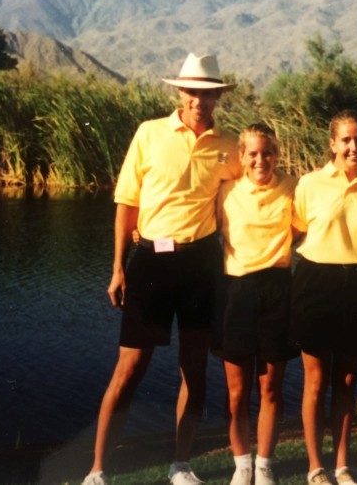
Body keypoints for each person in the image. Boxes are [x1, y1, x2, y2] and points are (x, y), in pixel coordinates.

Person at [81, 53, 241, 485]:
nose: (199, 101)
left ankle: (181, 464)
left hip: (202, 265)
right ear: (179, 92)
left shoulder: (230, 146)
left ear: (217, 98)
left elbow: (250, 198)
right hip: (151, 263)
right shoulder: (149, 134)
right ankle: (97, 470)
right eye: (192, 92)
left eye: (208, 94)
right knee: (129, 369)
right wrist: (118, 268)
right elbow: (126, 203)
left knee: (194, 368)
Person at [291, 110, 357, 485]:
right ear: (332, 144)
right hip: (316, 283)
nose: (354, 146)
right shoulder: (309, 184)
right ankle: (316, 468)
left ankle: (342, 466)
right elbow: (298, 230)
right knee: (315, 382)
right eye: (346, 140)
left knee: (347, 381)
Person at [215, 123, 298, 485]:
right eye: (253, 153)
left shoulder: (295, 187)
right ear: (241, 156)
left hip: (279, 289)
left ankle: (264, 465)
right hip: (236, 292)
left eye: (268, 152)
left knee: (270, 387)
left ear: (277, 154)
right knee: (237, 390)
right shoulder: (225, 191)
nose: (261, 159)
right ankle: (242, 464)